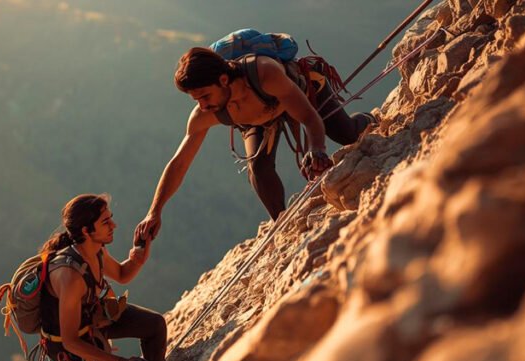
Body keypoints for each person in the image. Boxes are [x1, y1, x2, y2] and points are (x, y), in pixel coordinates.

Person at [136, 46, 377, 242]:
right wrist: (154, 212)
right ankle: (283, 223)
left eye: (205, 96)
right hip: (259, 120)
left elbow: (308, 117)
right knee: (259, 168)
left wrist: (317, 150)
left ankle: (369, 119)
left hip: (302, 91)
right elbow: (179, 163)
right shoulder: (205, 114)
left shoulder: (265, 73)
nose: (202, 106)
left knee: (346, 134)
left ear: (223, 80)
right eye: (196, 100)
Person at [39, 194, 167, 361]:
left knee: (155, 325)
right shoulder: (70, 276)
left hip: (92, 319)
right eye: (106, 222)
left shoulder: (96, 251)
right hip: (67, 346)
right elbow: (70, 341)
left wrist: (139, 254)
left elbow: (121, 274)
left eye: (111, 218)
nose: (114, 225)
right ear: (86, 231)